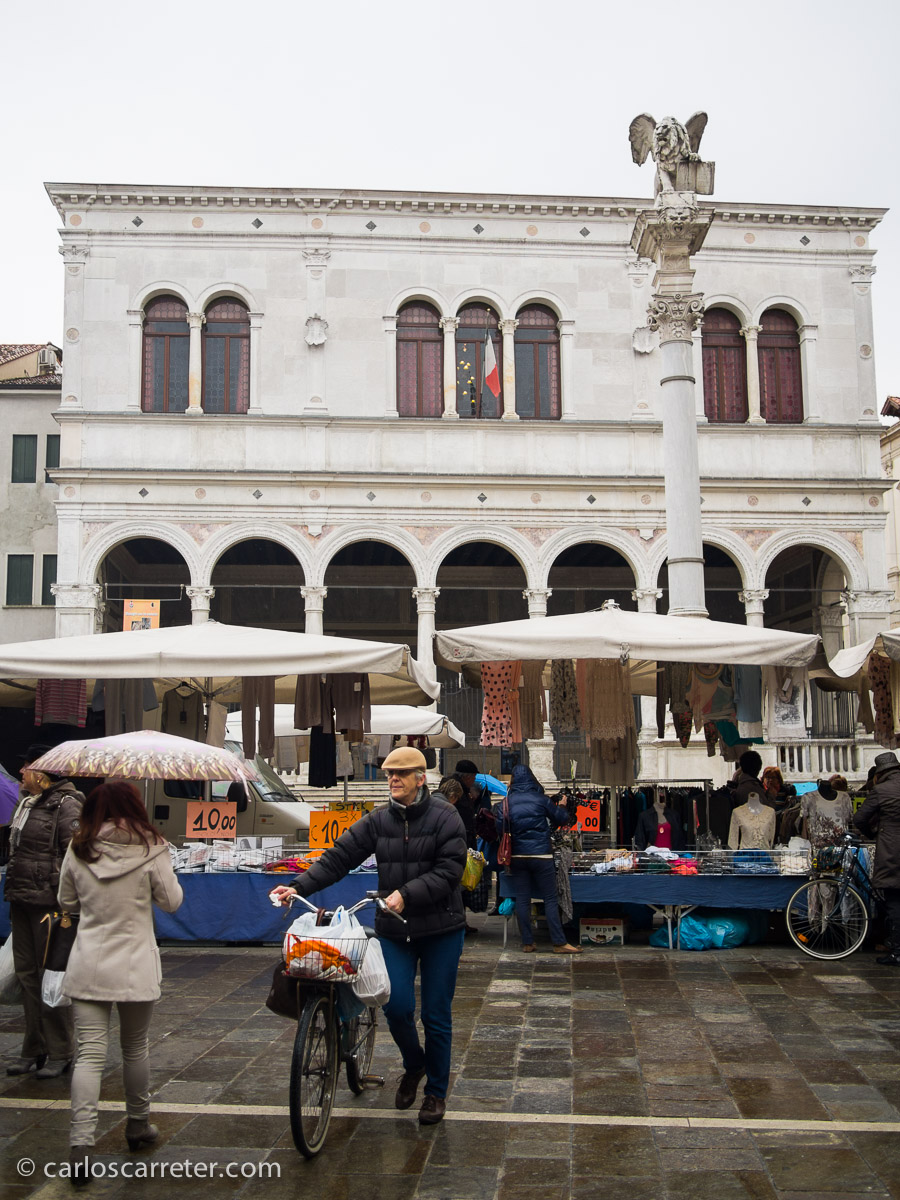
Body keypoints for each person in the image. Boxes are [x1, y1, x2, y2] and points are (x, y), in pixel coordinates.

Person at [271, 746, 466, 1125]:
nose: (392, 779)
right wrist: (298, 886)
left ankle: (436, 1092)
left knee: (437, 1015)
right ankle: (415, 1065)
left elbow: (449, 872)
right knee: (395, 1006)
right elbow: (339, 857)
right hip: (395, 931)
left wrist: (406, 894)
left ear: (420, 779)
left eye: (401, 774)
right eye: (389, 773)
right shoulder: (378, 820)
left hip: (441, 928)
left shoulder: (447, 817)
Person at [58, 780, 183, 1186]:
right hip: (135, 964)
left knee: (89, 1055)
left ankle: (80, 1145)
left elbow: (66, 903)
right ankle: (137, 1125)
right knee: (135, 1048)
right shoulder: (152, 847)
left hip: (88, 963)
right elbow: (171, 901)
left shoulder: (78, 848)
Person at [5, 745, 84, 1079]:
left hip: (50, 903)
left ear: (40, 772)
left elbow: (75, 853)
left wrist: (60, 892)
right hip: (21, 898)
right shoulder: (26, 804)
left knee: (50, 976)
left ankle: (61, 1050)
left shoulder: (68, 804)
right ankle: (32, 1047)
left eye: (26, 767)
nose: (21, 772)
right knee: (26, 976)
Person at [502, 763, 582, 954]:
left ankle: (528, 942)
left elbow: (500, 826)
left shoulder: (506, 802)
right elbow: (561, 819)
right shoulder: (541, 799)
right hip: (541, 854)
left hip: (517, 855)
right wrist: (562, 806)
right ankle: (559, 942)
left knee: (522, 899)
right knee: (550, 898)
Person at [853, 750, 900, 966]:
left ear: (880, 773)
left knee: (893, 900)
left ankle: (897, 951)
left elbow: (860, 818)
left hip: (892, 851)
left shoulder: (881, 790)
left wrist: (873, 835)